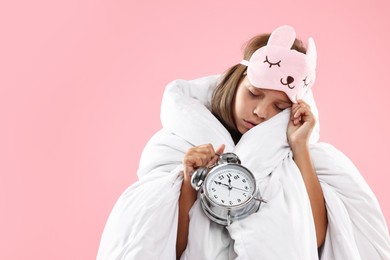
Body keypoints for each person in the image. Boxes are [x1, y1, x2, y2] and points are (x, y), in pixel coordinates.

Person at [97, 25, 390, 260]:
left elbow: (315, 239)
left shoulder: (306, 159)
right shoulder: (175, 145)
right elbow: (161, 247)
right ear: (236, 81)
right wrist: (188, 181)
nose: (261, 112)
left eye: (278, 108)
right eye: (254, 93)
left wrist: (300, 148)